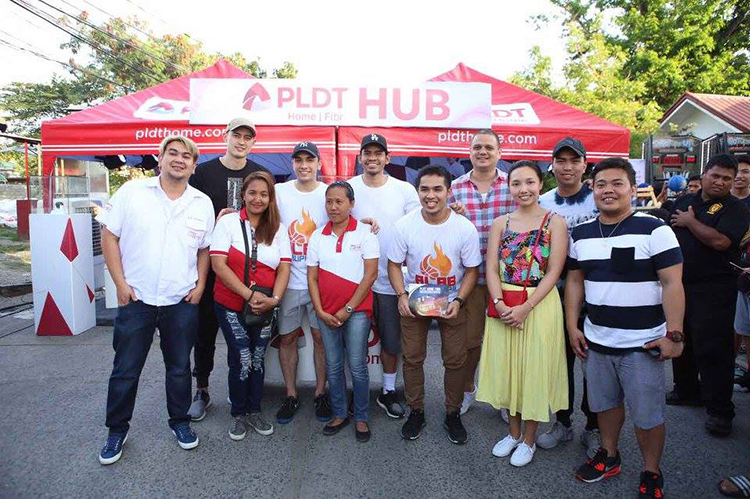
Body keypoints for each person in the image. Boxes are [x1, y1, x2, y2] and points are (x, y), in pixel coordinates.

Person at [566, 157, 685, 498]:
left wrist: (674, 334)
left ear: (633, 189)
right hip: (597, 340)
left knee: (647, 415)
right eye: (601, 184)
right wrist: (573, 325)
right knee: (604, 405)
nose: (608, 190)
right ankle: (610, 455)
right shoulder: (582, 233)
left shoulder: (656, 229)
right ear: (593, 189)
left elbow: (672, 284)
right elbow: (575, 282)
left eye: (617, 183)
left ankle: (651, 470)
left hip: (643, 344)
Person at [97, 136, 215, 465]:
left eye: (186, 156)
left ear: (194, 165)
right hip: (137, 297)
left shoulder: (202, 202)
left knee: (179, 368)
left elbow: (204, 248)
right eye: (172, 154)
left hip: (181, 299)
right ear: (160, 159)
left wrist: (201, 284)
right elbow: (109, 234)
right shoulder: (132, 193)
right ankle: (116, 431)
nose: (179, 160)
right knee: (125, 370)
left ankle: (180, 423)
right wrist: (120, 283)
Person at [477, 161, 569, 467]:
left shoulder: (555, 222)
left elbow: (554, 271)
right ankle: (513, 432)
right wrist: (501, 303)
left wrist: (526, 308)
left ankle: (529, 438)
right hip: (504, 302)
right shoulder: (500, 223)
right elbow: (490, 267)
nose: (523, 189)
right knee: (508, 369)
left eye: (529, 182)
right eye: (516, 183)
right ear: (509, 187)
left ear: (540, 184)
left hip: (538, 305)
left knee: (533, 369)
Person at [388, 164, 481, 444]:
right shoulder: (404, 225)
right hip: (416, 300)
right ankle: (416, 411)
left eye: (437, 189)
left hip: (452, 300)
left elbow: (472, 269)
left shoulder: (464, 227)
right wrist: (401, 295)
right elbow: (394, 264)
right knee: (413, 358)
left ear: (448, 192)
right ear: (417, 192)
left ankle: (452, 413)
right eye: (425, 189)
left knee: (455, 360)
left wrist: (460, 300)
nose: (431, 195)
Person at [188, 118, 268, 422]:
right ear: (227, 136)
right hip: (211, 266)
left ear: (253, 142)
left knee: (244, 337)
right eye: (238, 135)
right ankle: (202, 389)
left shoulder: (259, 174)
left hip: (249, 272)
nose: (242, 141)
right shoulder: (204, 172)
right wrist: (216, 220)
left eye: (249, 137)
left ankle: (246, 394)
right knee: (204, 332)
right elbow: (190, 213)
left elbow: (270, 216)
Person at [669, 153, 750, 436]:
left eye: (727, 178)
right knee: (682, 338)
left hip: (715, 288)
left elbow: (721, 241)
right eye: (715, 175)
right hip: (679, 284)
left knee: (713, 349)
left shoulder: (735, 208)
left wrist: (690, 223)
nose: (720, 182)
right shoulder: (683, 202)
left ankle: (720, 411)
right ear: (703, 174)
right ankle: (687, 391)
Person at [210, 171, 291, 440]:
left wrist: (274, 300)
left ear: (271, 198)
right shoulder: (227, 223)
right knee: (242, 357)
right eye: (253, 193)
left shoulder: (278, 227)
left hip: (267, 304)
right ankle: (238, 413)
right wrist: (248, 295)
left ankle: (254, 410)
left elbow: (284, 267)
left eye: (264, 194)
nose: (258, 199)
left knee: (257, 358)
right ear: (243, 194)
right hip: (231, 303)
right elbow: (218, 264)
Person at [349, 133, 421, 419]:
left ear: (387, 158)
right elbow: (334, 218)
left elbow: (419, 225)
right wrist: (357, 223)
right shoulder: (349, 187)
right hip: (355, 278)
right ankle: (348, 390)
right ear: (360, 157)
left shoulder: (405, 190)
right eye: (367, 153)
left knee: (391, 341)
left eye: (378, 153)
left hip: (392, 279)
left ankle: (388, 391)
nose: (372, 158)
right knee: (351, 340)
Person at [537, 138, 601, 457]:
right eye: (561, 161)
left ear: (584, 165)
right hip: (555, 293)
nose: (567, 167)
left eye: (574, 161)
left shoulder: (598, 198)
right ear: (553, 165)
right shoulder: (543, 202)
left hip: (597, 293)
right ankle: (562, 422)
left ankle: (594, 426)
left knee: (594, 364)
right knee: (560, 364)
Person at [449, 129, 515, 417]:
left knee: (504, 340)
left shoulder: (513, 185)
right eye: (477, 147)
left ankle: (503, 397)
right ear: (470, 152)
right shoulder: (455, 187)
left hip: (507, 276)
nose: (483, 152)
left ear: (499, 153)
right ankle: (467, 390)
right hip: (471, 276)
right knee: (470, 340)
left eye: (489, 147)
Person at [306, 181, 379, 442]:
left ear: (351, 203)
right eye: (329, 201)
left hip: (356, 312)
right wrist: (319, 310)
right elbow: (311, 277)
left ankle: (361, 417)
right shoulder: (317, 235)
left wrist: (348, 309)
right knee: (334, 366)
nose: (333, 207)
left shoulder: (365, 233)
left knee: (357, 366)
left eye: (339, 201)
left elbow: (370, 275)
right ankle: (339, 413)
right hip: (325, 313)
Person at [274, 142, 331, 424]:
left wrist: (368, 221)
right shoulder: (279, 191)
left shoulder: (328, 193)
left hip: (321, 282)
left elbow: (345, 221)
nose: (304, 165)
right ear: (293, 164)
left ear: (319, 163)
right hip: (288, 281)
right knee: (287, 338)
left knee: (321, 338)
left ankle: (321, 393)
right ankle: (291, 395)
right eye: (299, 160)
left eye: (310, 159)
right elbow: (258, 213)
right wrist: (231, 213)